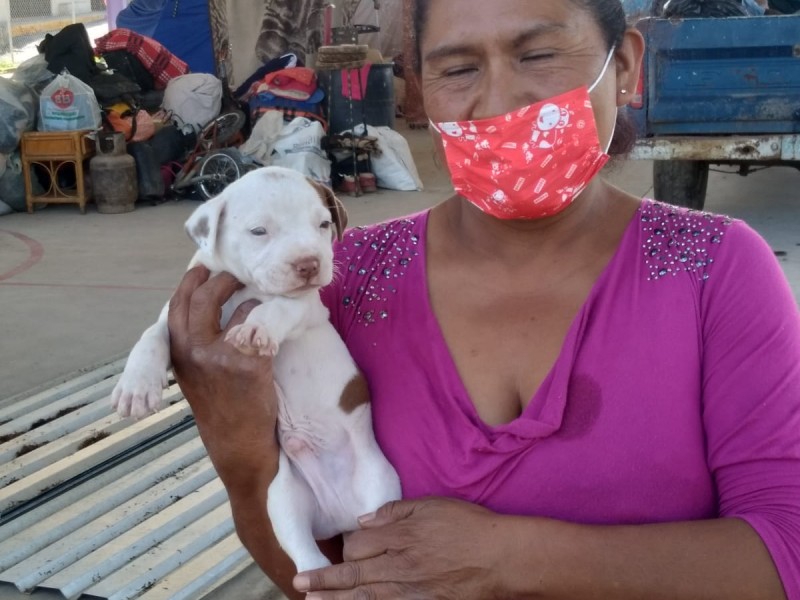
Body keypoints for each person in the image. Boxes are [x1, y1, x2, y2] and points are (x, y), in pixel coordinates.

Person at [167, 0, 800, 598]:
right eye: (459, 68)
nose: (499, 99)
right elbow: (320, 571)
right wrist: (239, 447)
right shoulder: (340, 284)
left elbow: (786, 553)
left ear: (627, 67)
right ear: (420, 92)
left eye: (538, 55)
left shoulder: (713, 271)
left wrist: (508, 560)